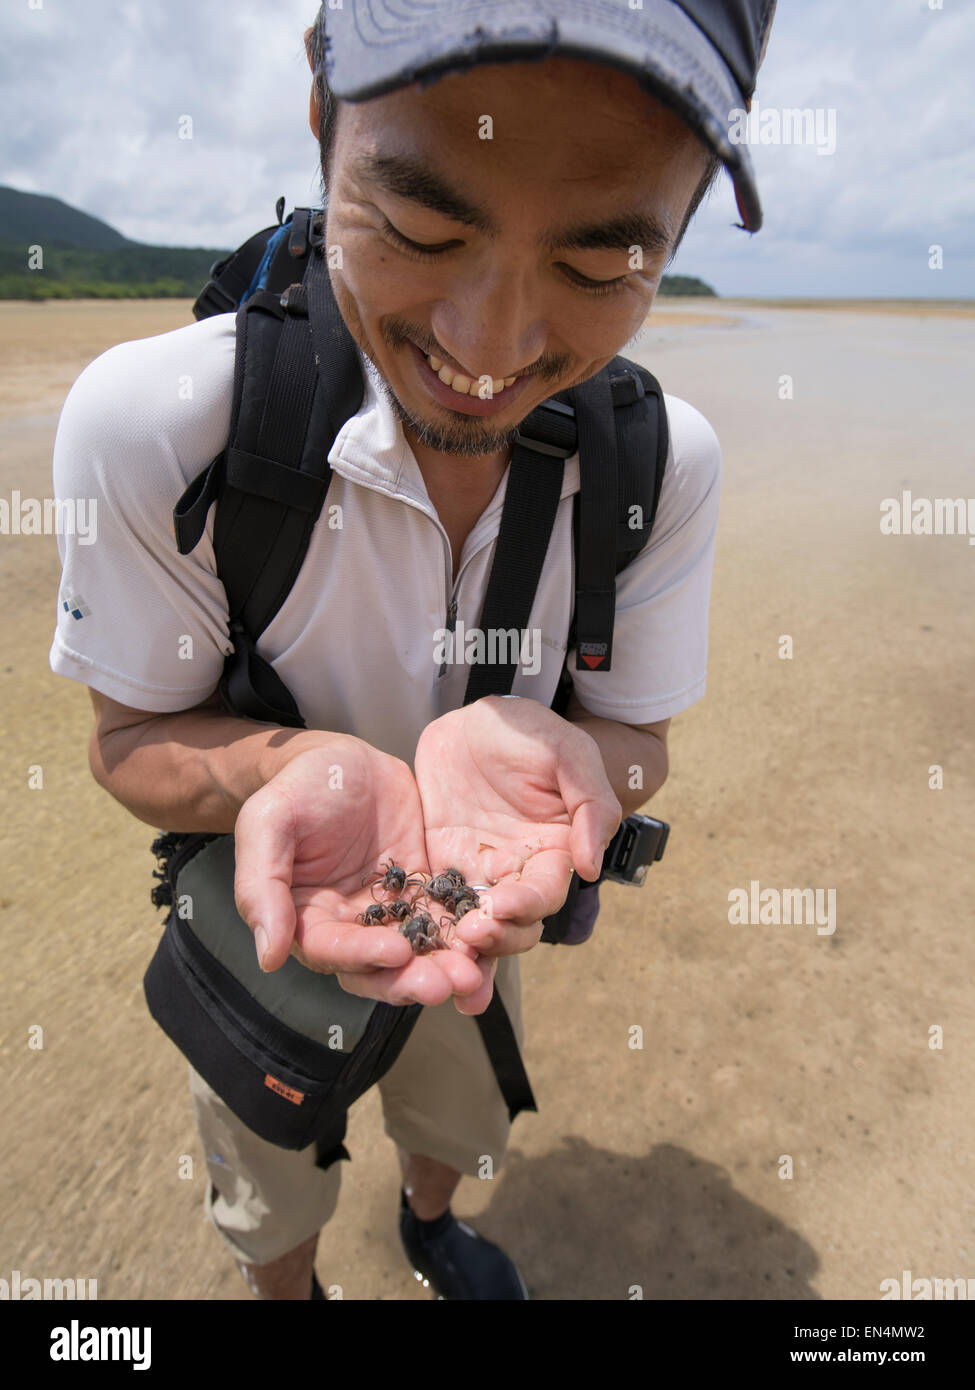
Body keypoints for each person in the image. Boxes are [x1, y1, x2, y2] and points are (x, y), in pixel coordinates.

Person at [49, 0, 777, 1300]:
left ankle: (431, 1227)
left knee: (453, 1106)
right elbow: (126, 741)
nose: (488, 352)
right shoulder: (157, 426)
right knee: (269, 1167)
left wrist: (592, 769)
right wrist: (289, 767)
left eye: (602, 266)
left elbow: (638, 742)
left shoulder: (661, 464)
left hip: (476, 912)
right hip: (272, 917)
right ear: (324, 117)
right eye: (424, 229)